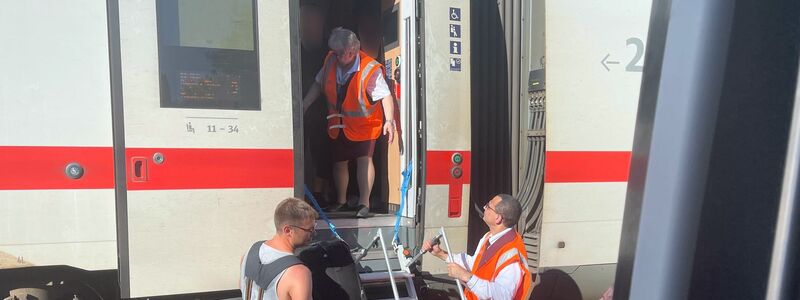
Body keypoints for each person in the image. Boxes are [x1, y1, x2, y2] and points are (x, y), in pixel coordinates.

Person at [302, 28, 396, 217]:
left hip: (365, 126)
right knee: (339, 163)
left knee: (364, 161)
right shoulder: (331, 61)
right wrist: (304, 105)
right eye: (335, 53)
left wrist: (390, 120)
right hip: (339, 126)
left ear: (351, 51)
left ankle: (364, 204)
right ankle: (342, 201)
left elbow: (385, 95)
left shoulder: (370, 68)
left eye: (339, 53)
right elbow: (318, 84)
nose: (336, 57)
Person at [422, 194, 533, 300]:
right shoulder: (489, 237)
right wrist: (441, 254)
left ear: (498, 218)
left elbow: (503, 295)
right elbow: (474, 265)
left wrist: (466, 276)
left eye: (488, 206)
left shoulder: (512, 254)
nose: (484, 207)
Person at [240, 197, 318, 300]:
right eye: (309, 229)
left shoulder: (250, 252)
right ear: (288, 230)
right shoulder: (298, 273)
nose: (314, 233)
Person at [300, 1, 333, 206]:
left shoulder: (326, 54)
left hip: (322, 111)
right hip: (300, 109)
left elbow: (321, 83)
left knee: (322, 150)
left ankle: (319, 194)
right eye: (310, 19)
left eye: (317, 20)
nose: (314, 24)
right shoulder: (293, 49)